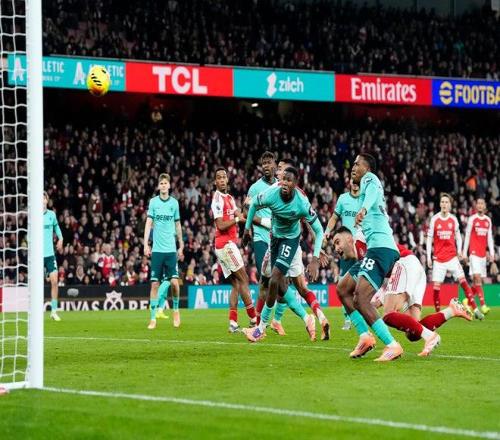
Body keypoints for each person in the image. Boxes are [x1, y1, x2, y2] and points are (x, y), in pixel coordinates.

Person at [333, 227, 472, 357]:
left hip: (403, 263)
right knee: (413, 333)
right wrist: (378, 299)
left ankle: (430, 336)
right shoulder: (362, 255)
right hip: (413, 267)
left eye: (338, 242)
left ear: (349, 238)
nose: (336, 248)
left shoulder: (360, 239)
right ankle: (451, 311)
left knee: (388, 314)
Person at [242, 166, 324, 342]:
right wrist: (247, 229)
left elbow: (319, 230)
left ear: (295, 184)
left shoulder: (302, 203)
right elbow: (253, 204)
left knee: (274, 279)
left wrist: (315, 259)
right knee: (275, 283)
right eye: (283, 179)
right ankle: (304, 318)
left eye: (289, 180)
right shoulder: (272, 194)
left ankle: (261, 328)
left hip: (290, 240)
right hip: (275, 239)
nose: (284, 183)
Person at [336, 153, 403, 362]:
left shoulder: (370, 179)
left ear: (367, 168)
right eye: (353, 164)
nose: (353, 167)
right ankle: (365, 337)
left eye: (357, 164)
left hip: (382, 249)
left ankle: (392, 344)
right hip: (374, 249)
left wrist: (364, 209)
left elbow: (372, 193)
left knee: (361, 298)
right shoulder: (363, 191)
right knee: (343, 289)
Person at [211, 167, 257, 333]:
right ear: (215, 182)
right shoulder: (217, 199)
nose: (222, 180)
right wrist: (237, 219)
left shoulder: (229, 198)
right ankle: (254, 319)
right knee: (244, 279)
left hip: (227, 245)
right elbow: (220, 225)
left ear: (227, 179)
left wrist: (246, 206)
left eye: (224, 177)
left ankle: (233, 323)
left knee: (236, 284)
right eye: (219, 178)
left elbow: (241, 216)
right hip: (225, 244)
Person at [427, 193, 484, 320]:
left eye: (446, 202)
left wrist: (459, 251)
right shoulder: (434, 219)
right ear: (440, 204)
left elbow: (458, 237)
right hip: (438, 259)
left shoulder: (453, 219)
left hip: (452, 257)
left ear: (450, 205)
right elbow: (429, 238)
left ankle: (475, 309)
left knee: (464, 282)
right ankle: (438, 314)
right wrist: (428, 257)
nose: (444, 204)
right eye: (442, 202)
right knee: (436, 289)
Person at [143, 173, 183, 330]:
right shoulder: (153, 202)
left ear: (169, 185)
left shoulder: (174, 203)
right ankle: (153, 318)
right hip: (157, 251)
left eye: (166, 183)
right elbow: (148, 224)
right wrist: (146, 244)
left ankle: (176, 310)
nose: (164, 185)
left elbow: (178, 225)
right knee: (154, 284)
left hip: (171, 250)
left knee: (174, 283)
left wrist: (181, 244)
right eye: (161, 183)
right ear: (158, 186)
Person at [324, 179, 361, 330]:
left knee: (361, 284)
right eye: (352, 180)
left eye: (357, 181)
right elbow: (334, 217)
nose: (355, 183)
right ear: (349, 182)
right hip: (345, 249)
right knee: (342, 284)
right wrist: (327, 231)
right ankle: (347, 319)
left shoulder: (365, 199)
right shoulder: (343, 199)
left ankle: (364, 315)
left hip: (360, 246)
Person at [462, 198, 495, 315]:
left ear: (485, 206)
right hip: (474, 253)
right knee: (477, 277)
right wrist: (464, 253)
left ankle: (467, 300)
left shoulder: (488, 220)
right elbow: (467, 236)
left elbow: (489, 238)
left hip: (482, 255)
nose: (480, 205)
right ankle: (483, 305)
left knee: (478, 280)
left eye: (482, 203)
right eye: (478, 203)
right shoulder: (472, 219)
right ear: (476, 206)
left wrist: (492, 253)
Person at [43, 192, 63, 321]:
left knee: (55, 281)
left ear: (47, 200)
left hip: (50, 255)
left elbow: (57, 228)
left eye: (44, 198)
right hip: (37, 256)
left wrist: (61, 239)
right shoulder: (34, 216)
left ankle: (54, 311)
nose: (42, 200)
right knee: (35, 285)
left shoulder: (51, 215)